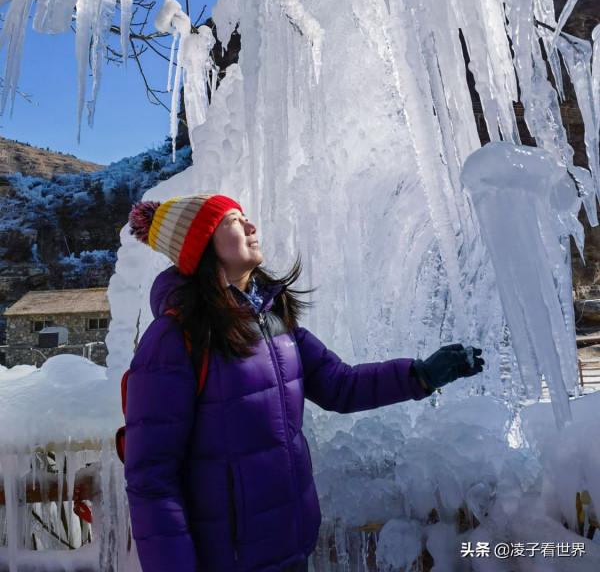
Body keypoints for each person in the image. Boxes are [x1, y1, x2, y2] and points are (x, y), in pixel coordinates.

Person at [124, 193, 484, 572]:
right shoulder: (173, 339)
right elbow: (151, 478)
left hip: (292, 547)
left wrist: (420, 376)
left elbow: (340, 385)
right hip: (228, 560)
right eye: (232, 220)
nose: (251, 226)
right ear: (200, 246)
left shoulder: (276, 323)